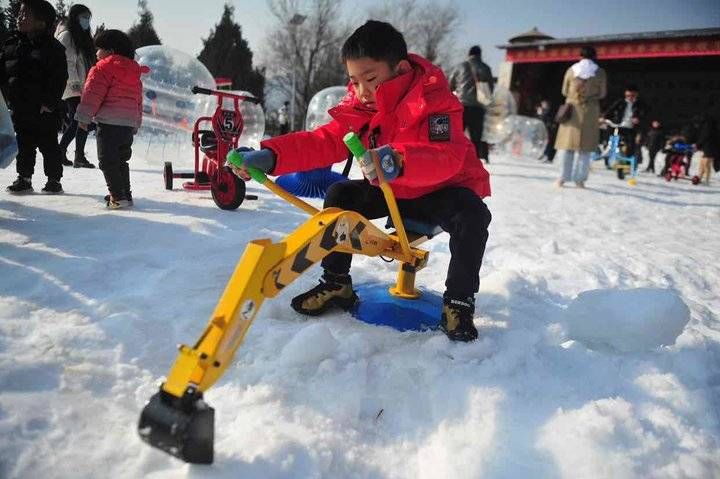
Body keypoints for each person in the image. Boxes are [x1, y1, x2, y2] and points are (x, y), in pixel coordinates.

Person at [230, 21, 492, 342]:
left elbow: (446, 156)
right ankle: (336, 282)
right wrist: (271, 157)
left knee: (473, 215)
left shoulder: (435, 100)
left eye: (370, 78)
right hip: (392, 188)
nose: (362, 90)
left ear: (401, 68)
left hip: (441, 188)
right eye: (354, 81)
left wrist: (399, 159)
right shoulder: (361, 105)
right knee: (341, 193)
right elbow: (323, 141)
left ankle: (459, 301)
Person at [75, 29, 148, 209]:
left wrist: (84, 117)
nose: (97, 53)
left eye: (99, 49)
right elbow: (138, 100)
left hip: (109, 124)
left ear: (111, 51)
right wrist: (136, 122)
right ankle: (125, 194)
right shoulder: (134, 72)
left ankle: (117, 196)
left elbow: (92, 95)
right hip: (127, 126)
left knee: (107, 161)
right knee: (121, 160)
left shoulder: (102, 68)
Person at [1, 0, 68, 194]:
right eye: (19, 13)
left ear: (41, 22)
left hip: (43, 108)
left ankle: (54, 179)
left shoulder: (53, 48)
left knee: (48, 145)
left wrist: (50, 102)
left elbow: (59, 78)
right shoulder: (12, 44)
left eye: (26, 14)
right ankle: (24, 177)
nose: (19, 17)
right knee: (24, 144)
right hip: (19, 106)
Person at [554, 45, 606, 188]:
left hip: (572, 111)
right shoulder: (600, 72)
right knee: (585, 148)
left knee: (567, 146)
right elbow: (602, 93)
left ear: (580, 56)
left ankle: (562, 178)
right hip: (590, 111)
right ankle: (580, 180)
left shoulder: (571, 70)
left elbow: (564, 91)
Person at [55, 4, 95, 168]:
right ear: (75, 17)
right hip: (72, 86)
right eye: (83, 17)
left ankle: (74, 154)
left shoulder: (83, 37)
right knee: (79, 120)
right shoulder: (67, 35)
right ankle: (63, 152)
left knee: (80, 120)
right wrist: (75, 83)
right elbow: (66, 62)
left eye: (88, 17)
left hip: (83, 86)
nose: (86, 21)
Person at [449, 45, 494, 163]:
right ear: (480, 55)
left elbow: (450, 85)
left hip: (460, 106)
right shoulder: (486, 68)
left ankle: (453, 160)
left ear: (469, 54)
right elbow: (490, 90)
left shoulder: (460, 67)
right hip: (478, 108)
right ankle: (472, 162)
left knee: (456, 136)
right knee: (476, 138)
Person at [602, 84, 648, 162]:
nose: (630, 98)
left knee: (631, 145)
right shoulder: (620, 102)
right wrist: (604, 119)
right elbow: (609, 111)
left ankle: (627, 161)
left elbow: (645, 115)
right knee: (611, 140)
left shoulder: (640, 104)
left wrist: (638, 119)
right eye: (628, 95)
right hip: (618, 126)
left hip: (630, 128)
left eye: (632, 96)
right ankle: (608, 155)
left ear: (636, 95)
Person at [695, 114, 720, 185]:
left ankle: (706, 180)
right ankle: (700, 178)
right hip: (707, 148)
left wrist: (698, 144)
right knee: (702, 163)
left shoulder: (709, 128)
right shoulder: (710, 128)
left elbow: (704, 137)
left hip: (711, 149)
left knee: (706, 164)